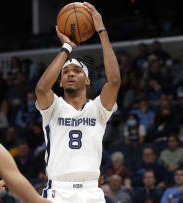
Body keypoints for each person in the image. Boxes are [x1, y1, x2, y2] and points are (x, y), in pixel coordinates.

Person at [35, 2, 120, 203]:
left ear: (88, 80)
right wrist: (67, 47)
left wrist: (101, 30)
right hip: (58, 191)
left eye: (77, 71)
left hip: (91, 190)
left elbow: (114, 81)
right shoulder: (53, 107)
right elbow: (40, 88)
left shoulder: (98, 109)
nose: (70, 74)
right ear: (61, 81)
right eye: (65, 72)